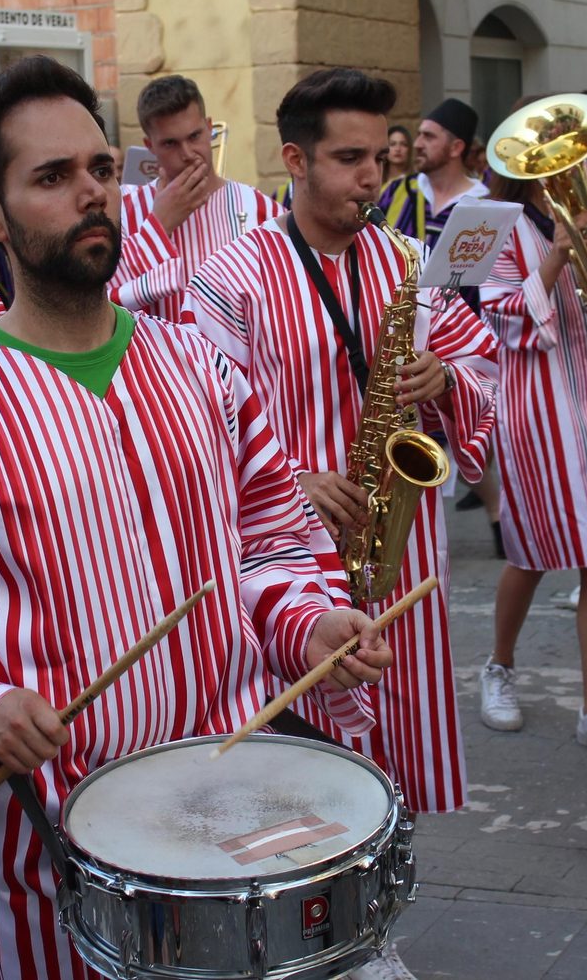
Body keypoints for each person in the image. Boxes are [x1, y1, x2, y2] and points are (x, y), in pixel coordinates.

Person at [0, 53, 390, 980]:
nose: (91, 194)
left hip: (236, 792)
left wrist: (310, 622)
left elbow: (271, 545)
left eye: (101, 169)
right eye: (52, 177)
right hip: (54, 830)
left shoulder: (202, 370)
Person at [183, 68, 499, 824]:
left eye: (379, 159)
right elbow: (197, 420)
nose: (371, 179)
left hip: (402, 550)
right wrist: (292, 477)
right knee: (306, 766)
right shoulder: (230, 275)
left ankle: (390, 877)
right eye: (349, 159)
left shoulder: (408, 262)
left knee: (402, 733)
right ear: (295, 160)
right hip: (290, 550)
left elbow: (486, 366)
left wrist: (445, 377)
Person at [475, 113, 587, 754]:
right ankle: (499, 665)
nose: (564, 170)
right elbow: (497, 313)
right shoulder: (496, 225)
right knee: (529, 552)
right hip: (538, 410)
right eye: (548, 159)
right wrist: (558, 254)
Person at [111, 74, 281, 319]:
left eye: (194, 136)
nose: (188, 153)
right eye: (170, 143)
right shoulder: (123, 211)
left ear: (209, 128)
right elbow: (100, 301)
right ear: (150, 146)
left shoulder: (262, 209)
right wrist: (159, 225)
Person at [376, 98, 488, 248]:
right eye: (419, 135)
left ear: (455, 148)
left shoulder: (485, 206)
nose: (417, 144)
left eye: (429, 137)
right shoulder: (394, 191)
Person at [382, 123, 413, 187]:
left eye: (404, 144)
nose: (398, 149)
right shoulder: (377, 180)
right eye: (392, 144)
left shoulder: (416, 181)